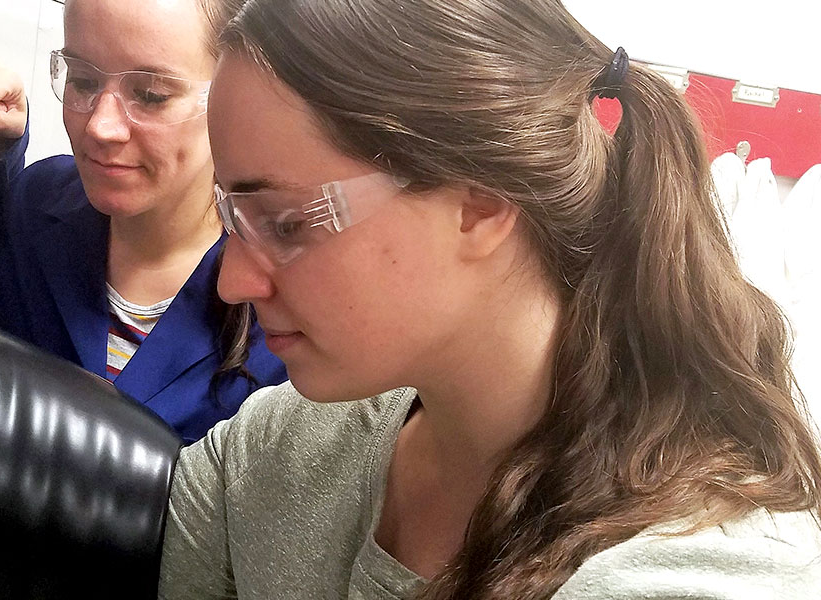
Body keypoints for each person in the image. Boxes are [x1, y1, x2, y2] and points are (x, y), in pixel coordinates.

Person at [158, 0, 821, 597]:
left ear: (478, 202)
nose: (232, 282)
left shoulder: (690, 578)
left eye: (285, 222)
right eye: (232, 218)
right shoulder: (261, 458)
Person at [0, 0, 286, 443]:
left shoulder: (282, 309)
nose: (101, 128)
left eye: (150, 95)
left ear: (236, 98)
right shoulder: (34, 206)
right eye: (82, 80)